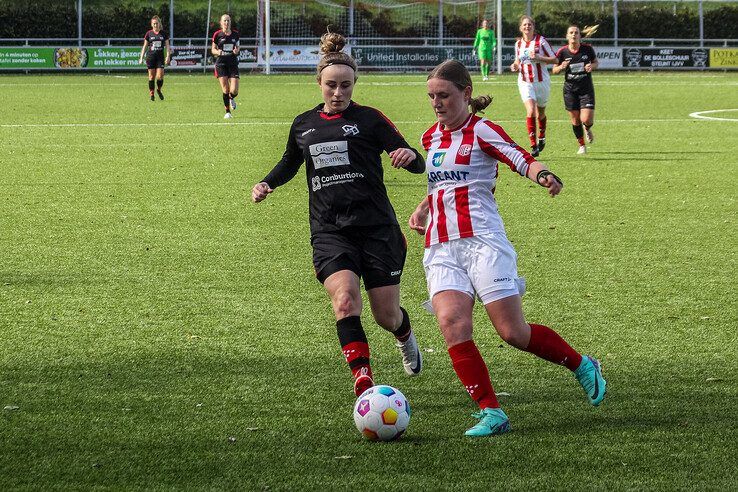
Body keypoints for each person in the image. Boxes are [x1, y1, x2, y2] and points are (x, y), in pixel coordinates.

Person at [409, 59, 606, 437]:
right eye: (432, 96)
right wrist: (422, 207)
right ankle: (491, 412)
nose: (437, 102)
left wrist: (543, 174)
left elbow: (518, 157)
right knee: (452, 323)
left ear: (465, 94)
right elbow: (439, 185)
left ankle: (582, 364)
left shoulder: (483, 130)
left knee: (512, 331)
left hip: (483, 241)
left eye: (444, 95)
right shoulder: (429, 137)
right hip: (440, 246)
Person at [251, 31, 425, 397]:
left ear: (354, 84)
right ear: (319, 83)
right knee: (345, 300)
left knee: (386, 315)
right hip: (330, 230)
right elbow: (289, 162)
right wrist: (267, 183)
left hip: (377, 228)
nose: (338, 92)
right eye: (331, 85)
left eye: (346, 85)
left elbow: (413, 158)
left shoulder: (370, 119)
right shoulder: (303, 124)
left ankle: (404, 334)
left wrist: (409, 157)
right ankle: (363, 380)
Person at [510, 15, 557, 157]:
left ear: (533, 27)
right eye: (524, 25)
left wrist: (539, 57)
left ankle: (541, 135)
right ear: (520, 28)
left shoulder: (541, 41)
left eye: (529, 24)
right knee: (530, 111)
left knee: (540, 113)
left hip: (542, 82)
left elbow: (555, 59)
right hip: (525, 82)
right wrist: (515, 65)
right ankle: (533, 145)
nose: (527, 27)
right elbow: (518, 61)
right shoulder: (518, 44)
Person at [553, 24, 599, 155]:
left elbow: (596, 62)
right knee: (575, 120)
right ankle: (582, 145)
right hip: (570, 90)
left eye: (576, 33)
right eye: (571, 33)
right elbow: (554, 70)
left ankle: (587, 128)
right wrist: (561, 67)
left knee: (587, 119)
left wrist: (592, 66)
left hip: (586, 89)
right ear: (567, 36)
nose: (574, 35)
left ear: (580, 36)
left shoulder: (587, 49)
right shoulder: (562, 52)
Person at [211, 14, 240, 119]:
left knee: (234, 90)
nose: (226, 23)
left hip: (232, 63)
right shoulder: (217, 35)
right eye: (225, 21)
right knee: (225, 89)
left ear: (230, 22)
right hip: (221, 64)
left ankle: (231, 98)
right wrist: (218, 52)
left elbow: (238, 47)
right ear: (221, 22)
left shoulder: (235, 34)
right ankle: (227, 112)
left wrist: (236, 51)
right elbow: (213, 49)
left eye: (228, 21)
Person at [138, 15, 171, 101]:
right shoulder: (149, 34)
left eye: (157, 23)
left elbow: (167, 46)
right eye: (154, 24)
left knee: (160, 76)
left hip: (160, 58)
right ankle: (152, 93)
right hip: (151, 57)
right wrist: (141, 57)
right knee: (151, 77)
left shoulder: (164, 34)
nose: (156, 25)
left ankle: (159, 90)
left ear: (159, 24)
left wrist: (168, 56)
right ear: (152, 24)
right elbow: (145, 46)